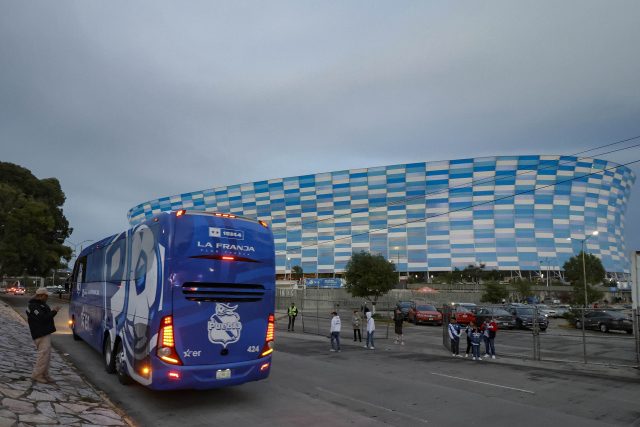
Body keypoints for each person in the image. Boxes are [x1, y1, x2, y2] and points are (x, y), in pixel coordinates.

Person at [26, 287, 60, 383]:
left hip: (44, 332)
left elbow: (45, 316)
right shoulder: (33, 306)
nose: (47, 298)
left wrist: (53, 312)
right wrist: (54, 311)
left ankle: (45, 374)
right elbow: (42, 318)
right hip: (40, 333)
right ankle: (37, 375)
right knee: (43, 354)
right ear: (41, 296)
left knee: (47, 355)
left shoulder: (41, 304)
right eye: (46, 296)